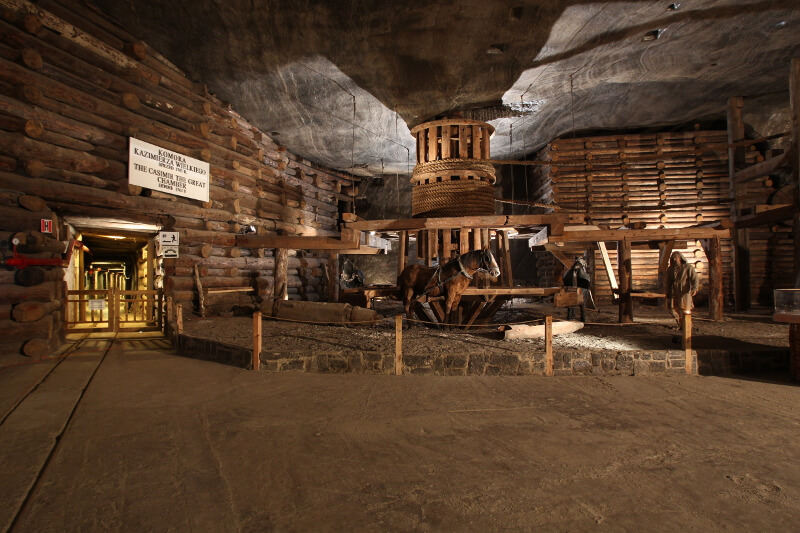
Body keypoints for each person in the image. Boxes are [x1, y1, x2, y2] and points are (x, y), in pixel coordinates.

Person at [665, 251, 699, 328]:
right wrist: (667, 292)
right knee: (673, 309)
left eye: (675, 257)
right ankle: (680, 324)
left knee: (685, 309)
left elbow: (695, 278)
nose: (674, 259)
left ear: (680, 258)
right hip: (674, 292)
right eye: (672, 257)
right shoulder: (670, 269)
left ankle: (687, 326)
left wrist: (695, 288)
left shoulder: (688, 267)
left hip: (685, 292)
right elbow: (668, 282)